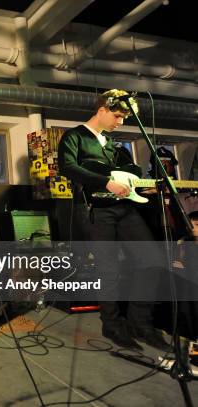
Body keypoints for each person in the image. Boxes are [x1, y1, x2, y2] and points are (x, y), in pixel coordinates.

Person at [58, 89, 172, 353]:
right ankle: (111, 325)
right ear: (102, 110)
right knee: (107, 269)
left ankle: (140, 323)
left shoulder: (112, 145)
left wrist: (142, 187)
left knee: (152, 259)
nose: (120, 122)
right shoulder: (74, 136)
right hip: (95, 209)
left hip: (123, 207)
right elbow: (67, 167)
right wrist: (105, 182)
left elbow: (128, 176)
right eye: (118, 116)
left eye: (124, 117)